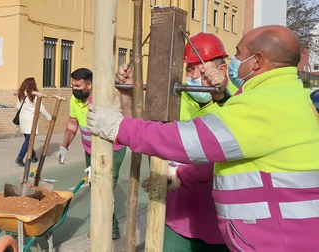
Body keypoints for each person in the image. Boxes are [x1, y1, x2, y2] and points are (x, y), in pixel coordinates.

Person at [88, 25, 319, 252]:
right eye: (190, 69)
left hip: (273, 239)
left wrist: (119, 127)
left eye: (239, 54)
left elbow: (183, 142)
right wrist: (179, 177)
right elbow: (232, 160)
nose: (196, 77)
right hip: (252, 232)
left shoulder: (258, 106)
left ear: (256, 61)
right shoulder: (293, 98)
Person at [116, 33, 230, 252]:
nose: (195, 75)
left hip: (221, 226)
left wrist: (178, 176)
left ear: (222, 70)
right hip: (175, 222)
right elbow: (140, 132)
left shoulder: (234, 107)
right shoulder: (173, 101)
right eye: (190, 69)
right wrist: (127, 95)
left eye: (202, 68)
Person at [55, 68, 127, 240]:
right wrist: (64, 146)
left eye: (78, 86)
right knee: (96, 189)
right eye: (72, 85)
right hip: (89, 151)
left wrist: (99, 162)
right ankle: (109, 228)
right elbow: (73, 123)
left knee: (104, 188)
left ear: (89, 85)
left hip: (111, 151)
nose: (74, 89)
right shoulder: (75, 100)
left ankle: (107, 230)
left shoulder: (102, 100)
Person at [14, 77, 52, 167]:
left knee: (29, 139)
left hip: (23, 120)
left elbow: (18, 107)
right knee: (29, 140)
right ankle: (20, 158)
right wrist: (50, 117)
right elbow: (41, 108)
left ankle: (33, 157)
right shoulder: (34, 95)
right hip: (31, 121)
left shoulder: (21, 94)